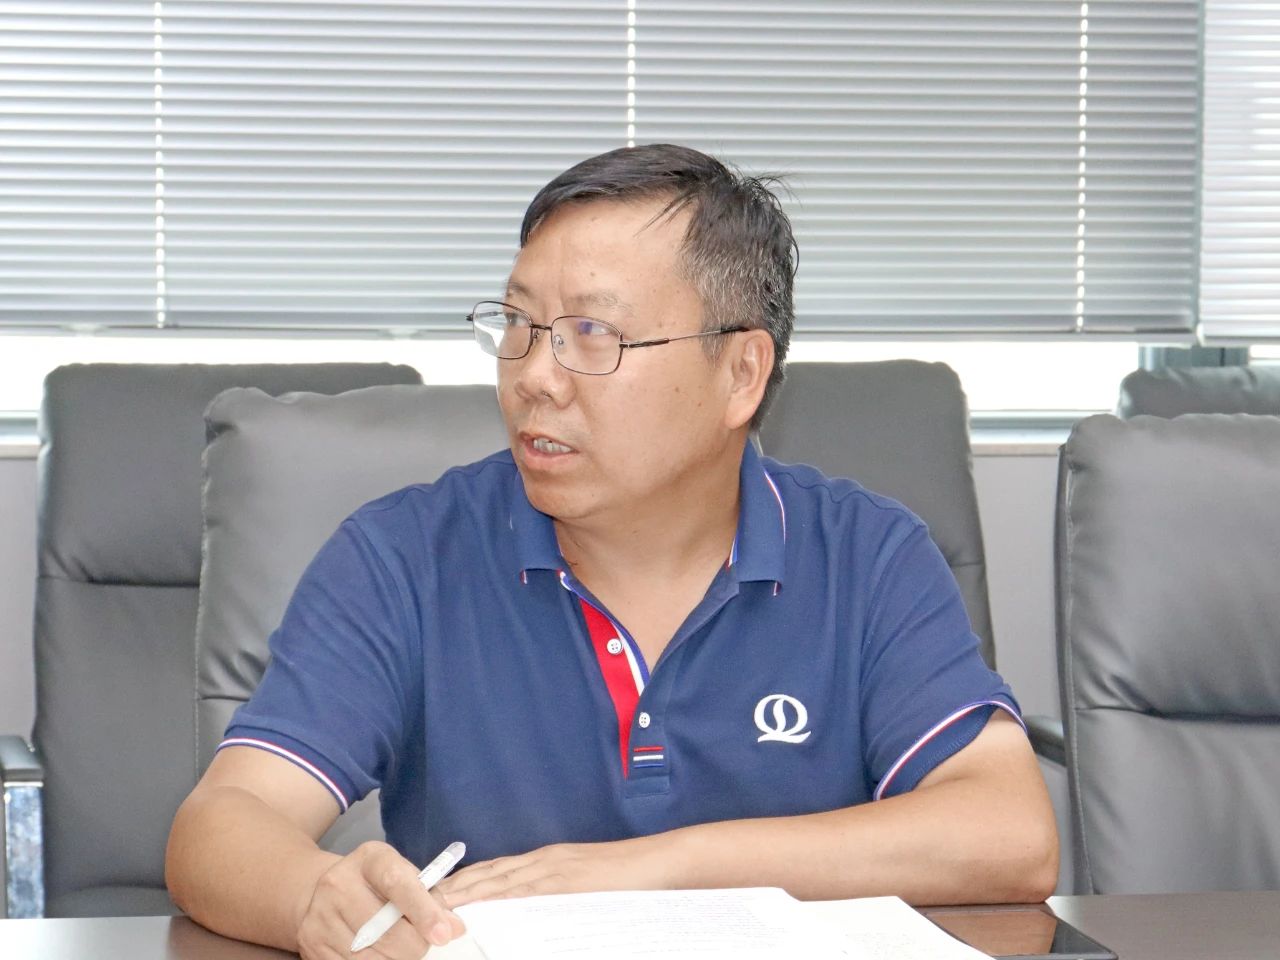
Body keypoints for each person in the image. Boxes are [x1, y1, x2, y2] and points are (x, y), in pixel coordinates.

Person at [166, 143, 1058, 958]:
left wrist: (657, 867)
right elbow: (222, 824)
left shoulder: (864, 555)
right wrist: (316, 897)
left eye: (592, 333)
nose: (533, 376)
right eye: (518, 323)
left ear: (741, 374)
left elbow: (1009, 834)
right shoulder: (404, 557)